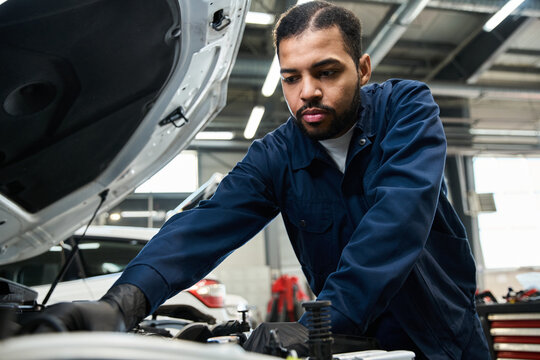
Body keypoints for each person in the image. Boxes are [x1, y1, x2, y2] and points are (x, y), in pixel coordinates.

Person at [45, 1, 490, 358]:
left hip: (443, 335)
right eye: (291, 78)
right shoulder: (275, 156)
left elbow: (398, 216)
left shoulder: (407, 110)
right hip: (357, 344)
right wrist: (122, 302)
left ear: (364, 69)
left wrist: (319, 323)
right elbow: (205, 225)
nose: (307, 91)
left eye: (327, 72)